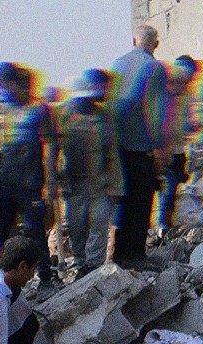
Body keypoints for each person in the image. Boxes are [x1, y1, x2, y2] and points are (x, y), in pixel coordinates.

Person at [0, 64, 56, 278]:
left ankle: (45, 276)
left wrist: (52, 182)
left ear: (16, 84)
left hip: (29, 183)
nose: (1, 92)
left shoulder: (39, 110)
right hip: (0, 181)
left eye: (3, 86)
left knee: (34, 231)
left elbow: (51, 146)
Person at [111, 24, 172, 266]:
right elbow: (155, 109)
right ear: (155, 44)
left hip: (117, 144)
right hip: (139, 145)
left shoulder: (117, 64)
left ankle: (118, 253)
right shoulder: (154, 68)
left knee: (123, 199)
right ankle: (134, 254)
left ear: (133, 40)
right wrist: (160, 144)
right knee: (141, 200)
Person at [56, 68, 123, 273]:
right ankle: (79, 262)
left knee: (99, 226)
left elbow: (112, 153)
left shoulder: (105, 117)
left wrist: (116, 187)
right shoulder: (61, 116)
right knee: (77, 227)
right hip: (73, 184)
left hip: (100, 183)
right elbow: (52, 152)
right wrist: (54, 180)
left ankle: (93, 267)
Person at [157, 55, 199, 233]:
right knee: (166, 192)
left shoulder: (186, 95)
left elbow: (185, 123)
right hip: (164, 151)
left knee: (169, 191)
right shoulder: (163, 96)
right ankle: (162, 226)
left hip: (176, 151)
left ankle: (164, 225)